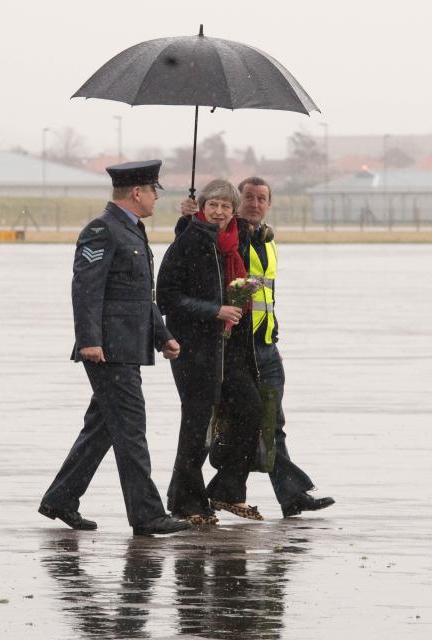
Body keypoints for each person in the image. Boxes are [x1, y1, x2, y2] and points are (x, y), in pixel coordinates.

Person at [39, 160, 191, 537]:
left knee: (103, 428)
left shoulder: (132, 230)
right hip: (107, 350)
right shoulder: (102, 230)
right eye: (153, 190)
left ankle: (61, 498)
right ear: (136, 193)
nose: (156, 196)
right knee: (131, 430)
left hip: (128, 346)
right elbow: (86, 287)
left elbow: (140, 295)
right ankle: (147, 515)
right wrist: (89, 341)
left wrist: (163, 335)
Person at [181, 177, 335, 517]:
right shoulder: (233, 235)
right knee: (247, 420)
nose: (254, 203)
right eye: (248, 197)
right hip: (241, 347)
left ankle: (286, 494)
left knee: (272, 422)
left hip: (266, 344)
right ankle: (213, 490)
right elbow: (204, 233)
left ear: (269, 203)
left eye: (261, 198)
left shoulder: (268, 240)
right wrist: (189, 217)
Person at [157, 179, 245, 525]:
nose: (220, 212)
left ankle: (186, 496)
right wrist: (214, 311)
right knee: (195, 422)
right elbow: (167, 298)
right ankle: (187, 501)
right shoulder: (190, 242)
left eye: (226, 206)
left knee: (206, 421)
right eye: (213, 205)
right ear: (202, 207)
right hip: (190, 346)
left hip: (217, 346)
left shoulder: (227, 244)